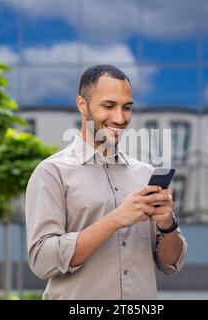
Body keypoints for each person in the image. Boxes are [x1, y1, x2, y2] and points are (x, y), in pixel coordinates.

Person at [25, 64, 188, 300]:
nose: (120, 118)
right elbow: (42, 260)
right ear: (82, 105)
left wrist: (166, 225)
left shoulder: (145, 174)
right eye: (109, 106)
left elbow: (171, 264)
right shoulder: (52, 173)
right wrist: (114, 220)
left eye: (127, 108)